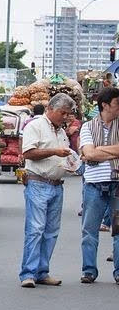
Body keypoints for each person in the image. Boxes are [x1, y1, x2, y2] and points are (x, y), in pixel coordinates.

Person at [19, 93, 76, 288]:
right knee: (35, 230)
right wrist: (54, 152)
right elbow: (28, 153)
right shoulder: (35, 126)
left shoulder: (60, 131)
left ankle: (42, 271)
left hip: (56, 185)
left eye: (68, 114)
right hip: (38, 183)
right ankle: (28, 273)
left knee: (51, 232)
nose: (65, 117)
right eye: (63, 113)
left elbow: (62, 156)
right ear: (50, 109)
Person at [79, 86, 119, 284]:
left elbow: (93, 153)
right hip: (94, 184)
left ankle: (118, 272)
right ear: (105, 105)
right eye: (116, 103)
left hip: (117, 184)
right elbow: (89, 153)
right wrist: (112, 151)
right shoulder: (87, 126)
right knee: (89, 230)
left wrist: (98, 150)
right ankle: (89, 271)